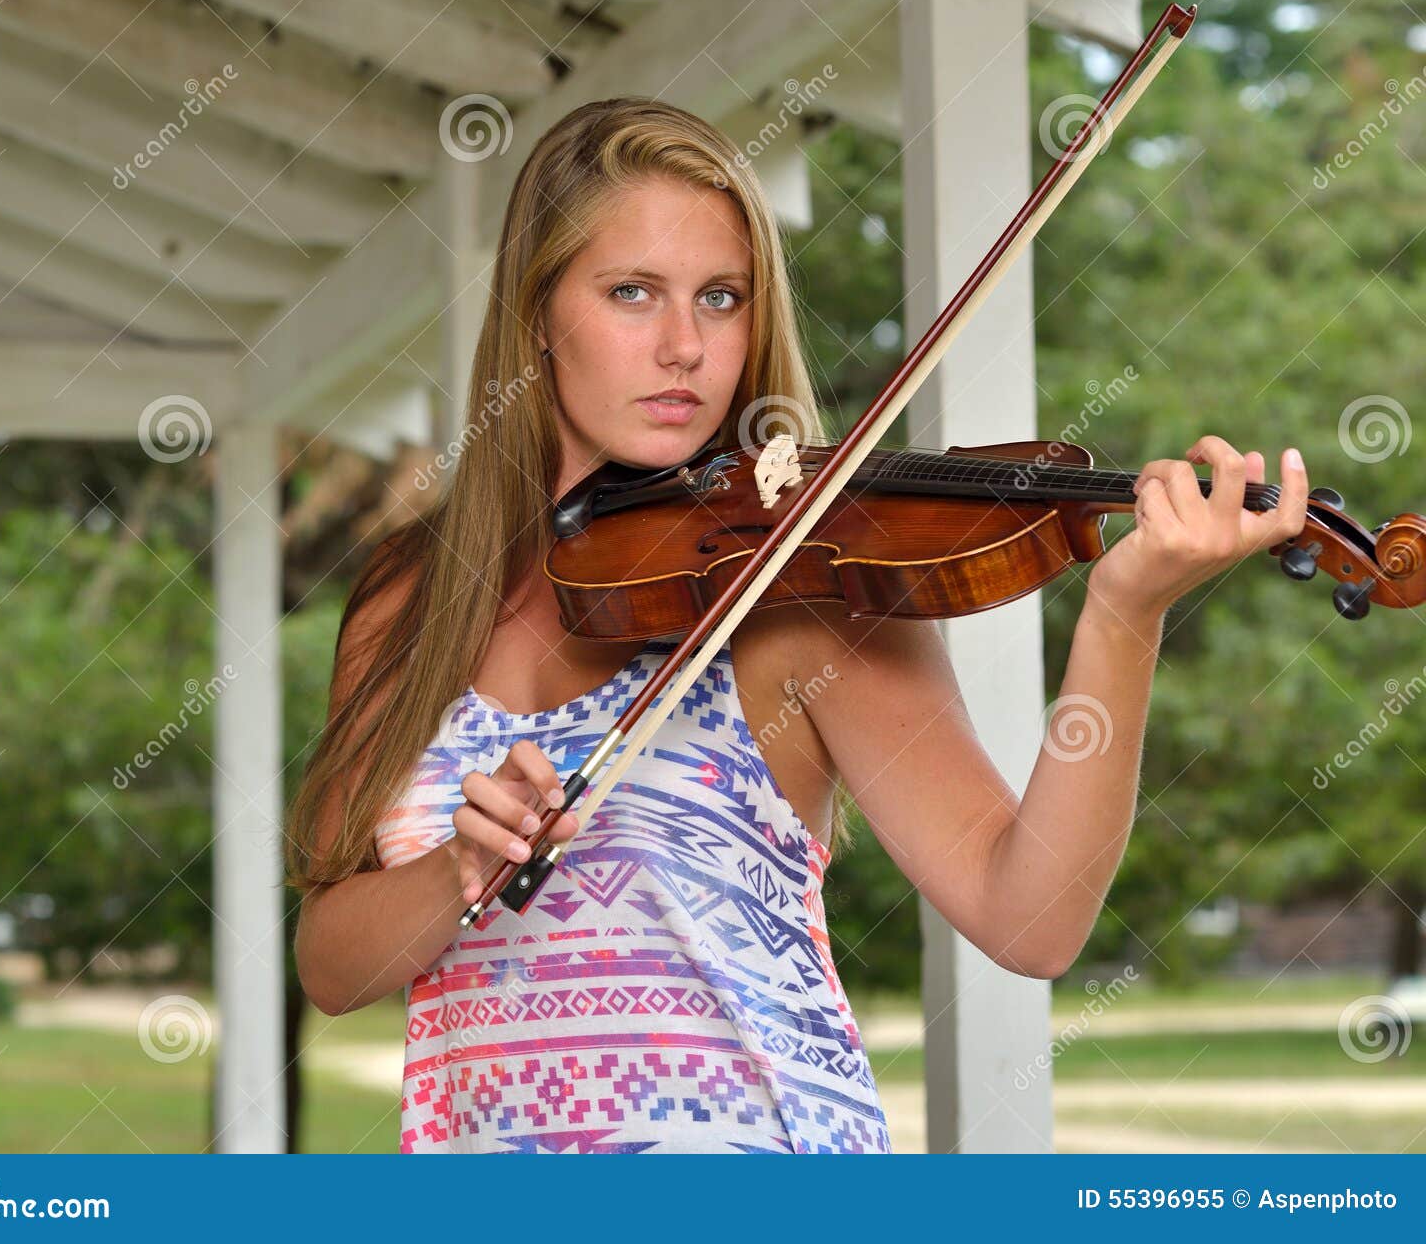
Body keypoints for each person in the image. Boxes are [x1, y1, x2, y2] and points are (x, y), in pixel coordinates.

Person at [284, 97, 1310, 1154]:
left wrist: (1123, 614)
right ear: (538, 313)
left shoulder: (797, 591)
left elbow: (1032, 919)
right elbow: (330, 964)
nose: (683, 346)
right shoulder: (412, 594)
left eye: (720, 298)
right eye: (631, 292)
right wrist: (457, 868)